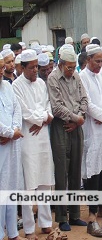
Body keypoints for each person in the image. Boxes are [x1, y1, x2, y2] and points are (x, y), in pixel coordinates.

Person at [13, 49, 54, 240]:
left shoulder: (41, 84)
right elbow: (24, 112)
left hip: (42, 135)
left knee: (45, 180)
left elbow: (48, 107)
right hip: (28, 138)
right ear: (22, 68)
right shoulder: (16, 86)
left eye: (37, 67)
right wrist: (41, 119)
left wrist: (43, 119)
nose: (35, 70)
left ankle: (45, 223)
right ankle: (29, 229)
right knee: (29, 184)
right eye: (31, 68)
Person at [47, 46, 88, 231]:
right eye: (69, 67)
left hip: (76, 126)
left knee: (75, 171)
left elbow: (85, 100)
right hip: (61, 126)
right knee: (62, 173)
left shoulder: (76, 77)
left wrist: (79, 120)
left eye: (73, 67)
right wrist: (75, 118)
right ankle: (62, 217)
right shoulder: (53, 78)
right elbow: (56, 107)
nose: (72, 70)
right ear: (61, 64)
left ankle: (75, 215)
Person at [79, 44, 102, 237]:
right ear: (88, 60)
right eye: (97, 61)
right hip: (92, 130)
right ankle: (93, 212)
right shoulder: (82, 77)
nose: (101, 64)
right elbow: (87, 105)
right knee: (93, 172)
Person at [0, 53, 24, 240]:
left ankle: (13, 233)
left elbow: (17, 109)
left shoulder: (7, 87)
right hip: (2, 145)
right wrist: (8, 133)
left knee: (10, 189)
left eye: (2, 68)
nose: (1, 72)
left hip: (12, 145)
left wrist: (14, 130)